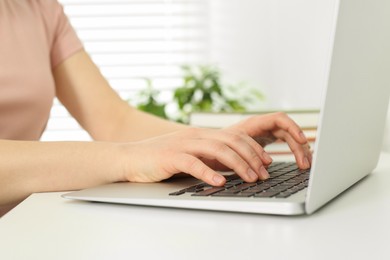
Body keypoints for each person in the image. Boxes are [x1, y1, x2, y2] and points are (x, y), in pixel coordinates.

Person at [0, 0, 312, 216]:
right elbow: (124, 146)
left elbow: (114, 120)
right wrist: (127, 159)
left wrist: (214, 141)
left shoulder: (37, 8)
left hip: (19, 226)